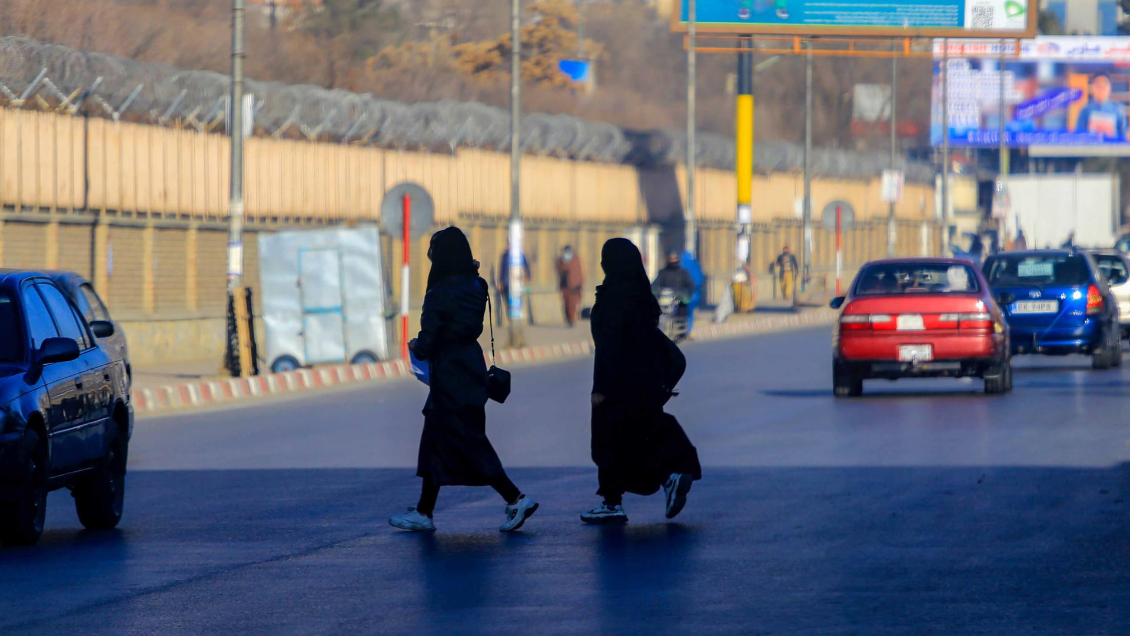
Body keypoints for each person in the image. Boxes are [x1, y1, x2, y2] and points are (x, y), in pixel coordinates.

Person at [390, 227, 538, 533]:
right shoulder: (477, 284)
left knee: (467, 442)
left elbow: (429, 339)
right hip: (471, 368)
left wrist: (417, 345)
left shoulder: (439, 292)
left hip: (449, 375)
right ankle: (424, 511)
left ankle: (515, 497)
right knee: (438, 441)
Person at [582, 238, 702, 524]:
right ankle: (664, 479)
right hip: (643, 385)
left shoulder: (614, 297)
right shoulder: (640, 295)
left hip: (618, 387)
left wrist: (600, 388)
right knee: (635, 440)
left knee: (609, 443)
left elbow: (610, 348)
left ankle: (613, 502)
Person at [1074, 74, 1128, 140]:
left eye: (1104, 85)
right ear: (1093, 88)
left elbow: (1123, 135)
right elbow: (1079, 134)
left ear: (1109, 88)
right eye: (1098, 85)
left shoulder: (1118, 109)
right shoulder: (1085, 110)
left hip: (1113, 148)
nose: (1101, 89)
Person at [496, 242, 533, 326]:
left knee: (516, 300)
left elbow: (526, 266)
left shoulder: (520, 255)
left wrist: (528, 277)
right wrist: (500, 282)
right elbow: (502, 269)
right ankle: (511, 318)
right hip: (506, 283)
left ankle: (515, 319)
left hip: (517, 282)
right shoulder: (505, 256)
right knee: (508, 301)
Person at [556, 245, 584, 327]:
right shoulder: (560, 261)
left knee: (573, 304)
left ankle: (572, 320)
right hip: (565, 286)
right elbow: (559, 270)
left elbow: (580, 272)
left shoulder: (576, 260)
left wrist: (580, 283)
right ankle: (568, 319)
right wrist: (564, 263)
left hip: (575, 286)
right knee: (566, 304)